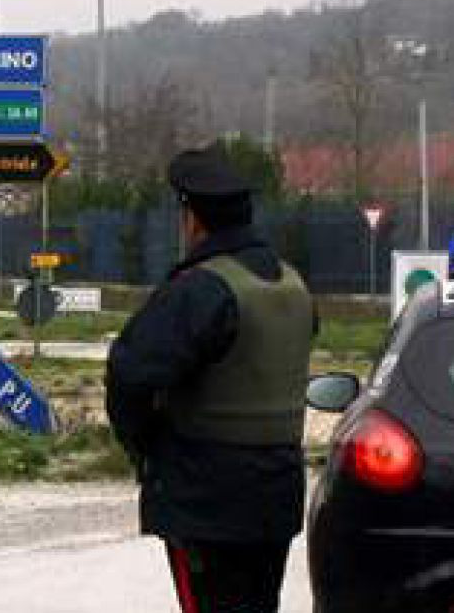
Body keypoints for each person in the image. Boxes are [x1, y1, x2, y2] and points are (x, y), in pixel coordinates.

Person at [104, 148, 315, 613]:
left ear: (193, 220)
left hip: (206, 497)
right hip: (276, 494)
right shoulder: (294, 286)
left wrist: (146, 448)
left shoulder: (201, 289)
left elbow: (130, 374)